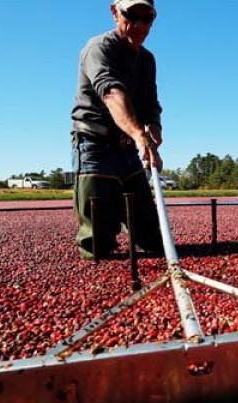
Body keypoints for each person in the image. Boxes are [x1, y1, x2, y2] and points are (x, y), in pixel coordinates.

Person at [71, 0, 164, 260]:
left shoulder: (147, 60)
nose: (139, 26)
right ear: (115, 12)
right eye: (131, 16)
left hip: (127, 148)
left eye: (147, 19)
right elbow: (112, 94)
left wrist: (154, 126)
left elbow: (150, 103)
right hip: (94, 145)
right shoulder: (99, 48)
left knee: (151, 238)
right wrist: (139, 135)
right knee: (97, 245)